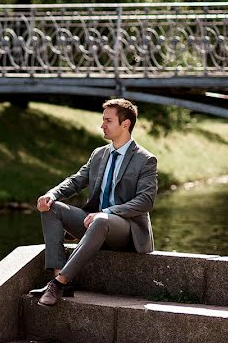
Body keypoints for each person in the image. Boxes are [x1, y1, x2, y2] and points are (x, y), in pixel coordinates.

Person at [33, 98, 157, 306]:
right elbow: (76, 181)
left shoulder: (145, 159)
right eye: (103, 120)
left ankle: (58, 283)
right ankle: (59, 276)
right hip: (94, 223)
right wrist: (52, 194)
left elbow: (145, 201)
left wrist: (107, 212)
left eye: (108, 120)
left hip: (126, 230)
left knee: (102, 220)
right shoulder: (99, 154)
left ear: (125, 124)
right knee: (52, 208)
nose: (102, 125)